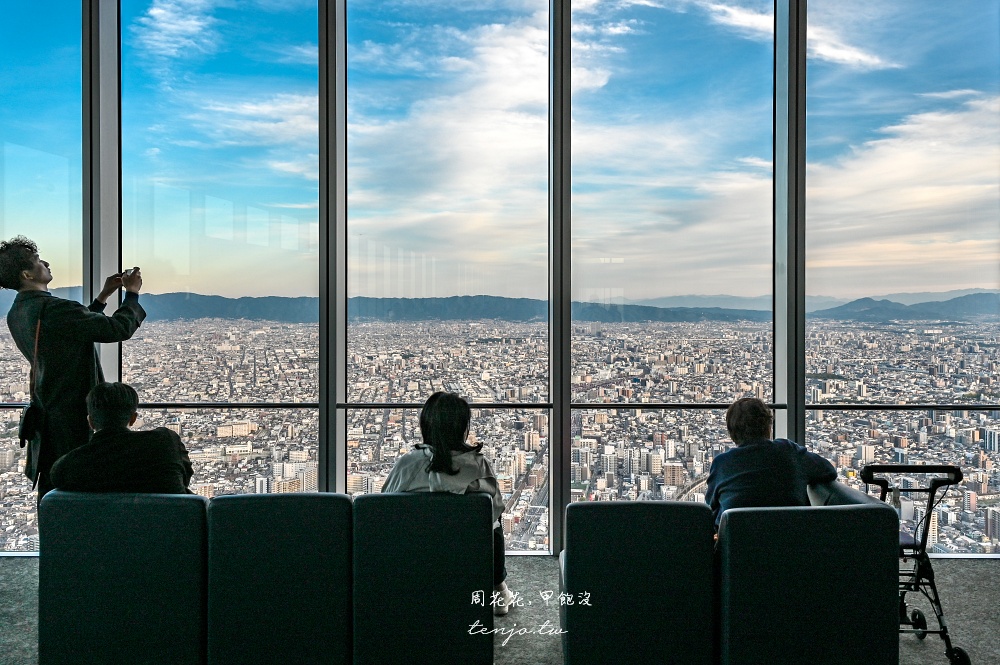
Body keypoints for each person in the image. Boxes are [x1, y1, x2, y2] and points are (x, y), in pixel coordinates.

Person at [1, 236, 146, 502]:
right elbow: (117, 329)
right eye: (37, 261)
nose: (45, 262)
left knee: (57, 485)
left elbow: (71, 331)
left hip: (48, 409)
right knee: (79, 486)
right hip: (71, 412)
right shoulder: (53, 308)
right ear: (26, 273)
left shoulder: (19, 311)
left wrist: (103, 297)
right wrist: (132, 294)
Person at [381, 391, 514, 616]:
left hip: (412, 559)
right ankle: (498, 588)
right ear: (463, 427)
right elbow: (496, 510)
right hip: (465, 557)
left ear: (426, 425)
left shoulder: (408, 465)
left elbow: (382, 507)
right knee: (494, 521)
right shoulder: (478, 467)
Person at [705, 397, 837, 528]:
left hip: (738, 545)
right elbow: (828, 470)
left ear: (732, 432)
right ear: (768, 427)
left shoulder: (722, 464)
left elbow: (711, 509)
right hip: (792, 543)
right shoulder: (789, 451)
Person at [50, 382, 193, 494]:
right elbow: (183, 480)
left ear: (90, 421)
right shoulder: (165, 443)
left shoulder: (66, 468)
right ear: (133, 418)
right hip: (170, 527)